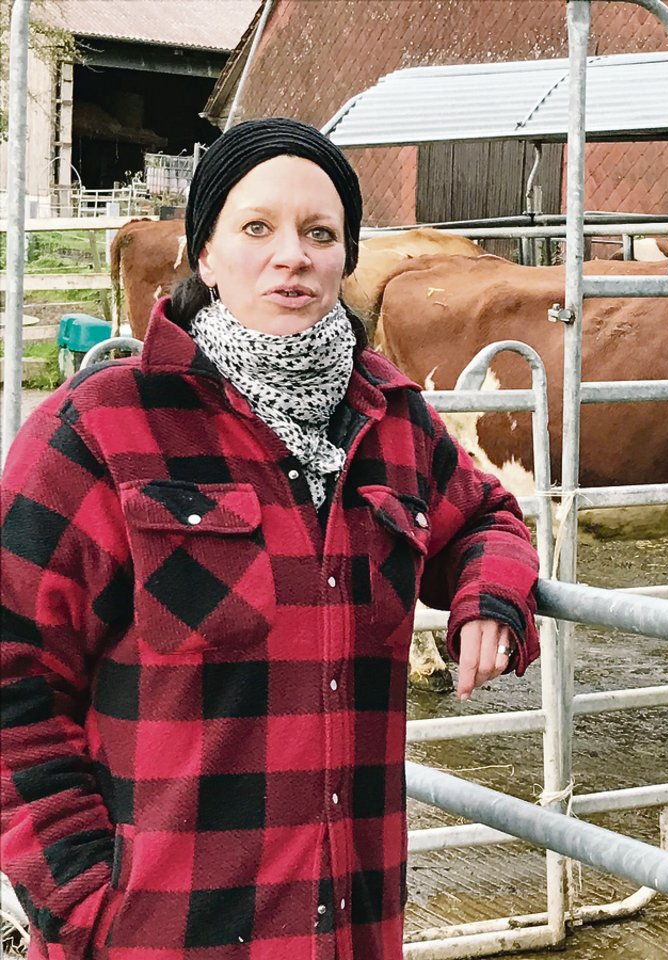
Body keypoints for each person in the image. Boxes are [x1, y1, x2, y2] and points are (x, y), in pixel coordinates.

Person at [0, 117, 540, 959]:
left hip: (350, 926)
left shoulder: (392, 419)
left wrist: (491, 595)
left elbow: (486, 517)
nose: (292, 255)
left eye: (319, 233)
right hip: (163, 934)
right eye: (258, 228)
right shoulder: (103, 427)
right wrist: (83, 897)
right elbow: (13, 674)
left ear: (345, 259)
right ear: (206, 254)